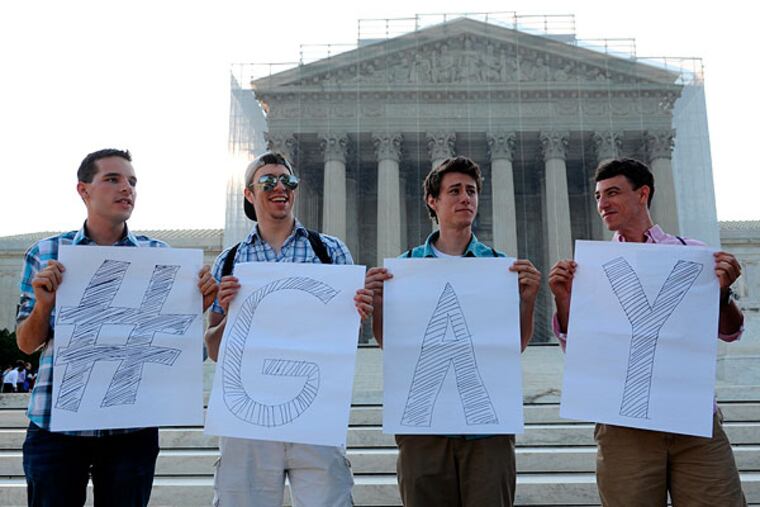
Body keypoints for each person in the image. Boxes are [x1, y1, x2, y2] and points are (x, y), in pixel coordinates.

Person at [15, 148, 218, 507]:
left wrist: (192, 313)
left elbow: (183, 356)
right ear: (84, 190)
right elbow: (26, 344)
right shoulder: (46, 253)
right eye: (112, 179)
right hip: (55, 426)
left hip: (131, 428)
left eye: (132, 182)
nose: (127, 189)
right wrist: (44, 304)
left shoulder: (161, 258)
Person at [548, 158, 746, 506]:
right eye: (598, 196)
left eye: (612, 193)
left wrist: (723, 294)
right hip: (624, 424)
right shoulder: (593, 269)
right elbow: (580, 351)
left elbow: (731, 332)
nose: (602, 203)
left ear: (643, 194)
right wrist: (564, 300)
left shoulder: (694, 255)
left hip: (693, 419)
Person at [365, 156, 541, 507]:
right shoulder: (406, 268)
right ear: (433, 201)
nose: (466, 198)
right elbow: (392, 345)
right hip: (423, 431)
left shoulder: (500, 266)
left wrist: (528, 300)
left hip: (488, 430)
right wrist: (380, 305)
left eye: (472, 191)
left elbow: (515, 345)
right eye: (455, 191)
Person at [204, 151, 373, 507]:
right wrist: (231, 314)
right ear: (249, 194)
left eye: (287, 181)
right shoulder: (230, 260)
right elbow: (215, 350)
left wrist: (359, 312)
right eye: (268, 181)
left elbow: (347, 335)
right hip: (247, 420)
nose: (280, 187)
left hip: (315, 415)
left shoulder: (330, 251)